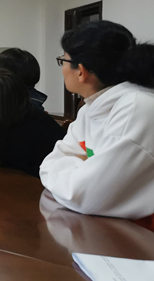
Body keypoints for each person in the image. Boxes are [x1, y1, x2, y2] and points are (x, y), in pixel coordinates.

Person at [40, 20, 154, 219]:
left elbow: (84, 195)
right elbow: (48, 165)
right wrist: (81, 173)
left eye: (63, 60)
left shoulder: (137, 109)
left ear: (81, 71)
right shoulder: (90, 109)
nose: (62, 68)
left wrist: (78, 171)